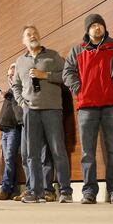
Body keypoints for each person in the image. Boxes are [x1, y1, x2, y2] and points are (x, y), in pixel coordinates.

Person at [64, 13, 113, 204]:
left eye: (100, 25)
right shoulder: (77, 50)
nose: (97, 28)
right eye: (93, 26)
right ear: (87, 30)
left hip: (111, 105)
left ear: (104, 28)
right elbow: (67, 73)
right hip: (86, 108)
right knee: (87, 153)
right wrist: (78, 88)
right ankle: (89, 191)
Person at [11, 25, 73, 203]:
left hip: (52, 109)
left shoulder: (52, 55)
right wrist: (22, 102)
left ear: (39, 35)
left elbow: (66, 76)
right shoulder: (20, 61)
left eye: (35, 33)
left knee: (57, 150)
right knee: (32, 154)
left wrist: (45, 75)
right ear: (23, 40)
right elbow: (15, 85)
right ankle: (35, 192)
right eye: (28, 35)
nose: (32, 36)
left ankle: (66, 191)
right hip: (30, 111)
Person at [0, 64, 24, 200]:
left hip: (13, 129)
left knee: (9, 159)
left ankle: (5, 189)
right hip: (5, 130)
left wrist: (9, 95)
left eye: (12, 74)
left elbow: (19, 108)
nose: (10, 77)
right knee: (8, 160)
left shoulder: (19, 89)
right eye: (8, 75)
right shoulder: (9, 91)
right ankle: (13, 190)